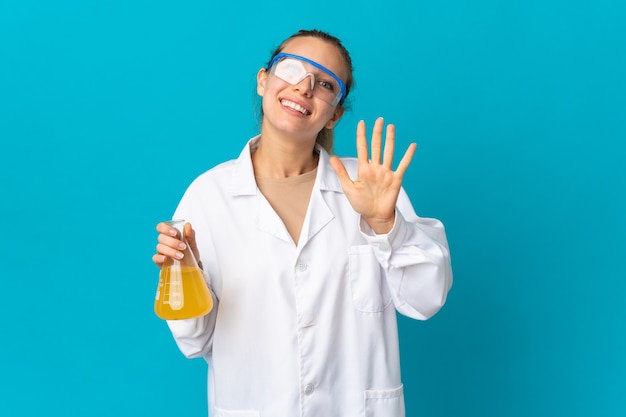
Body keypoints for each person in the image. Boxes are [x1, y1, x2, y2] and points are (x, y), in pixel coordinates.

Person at [152, 29, 452, 417]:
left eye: (325, 83)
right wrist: (183, 272)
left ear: (335, 113)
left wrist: (385, 223)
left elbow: (425, 298)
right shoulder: (209, 195)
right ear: (263, 81)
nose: (304, 87)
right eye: (292, 69)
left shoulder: (368, 185)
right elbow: (194, 342)